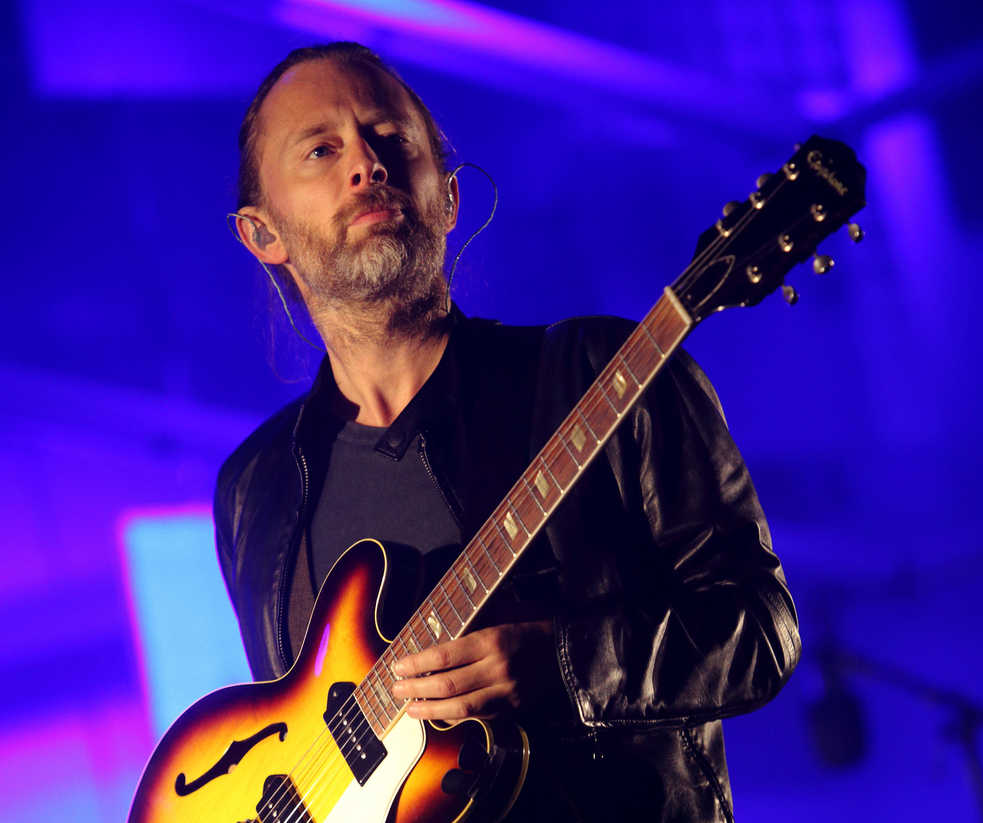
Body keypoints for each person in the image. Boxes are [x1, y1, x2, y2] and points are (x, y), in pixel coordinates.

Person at [215, 42, 801, 822]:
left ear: (448, 197)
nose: (367, 163)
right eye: (321, 149)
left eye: (392, 137)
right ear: (263, 234)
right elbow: (297, 753)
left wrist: (563, 664)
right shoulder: (255, 488)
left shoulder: (602, 373)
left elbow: (761, 629)